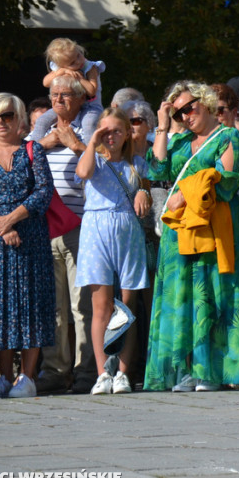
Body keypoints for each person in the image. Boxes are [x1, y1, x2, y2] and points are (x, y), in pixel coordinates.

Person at [145, 81, 239, 391]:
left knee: (213, 294)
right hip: (178, 234)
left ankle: (212, 372)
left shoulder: (229, 137)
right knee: (182, 298)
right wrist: (163, 125)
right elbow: (157, 170)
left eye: (189, 107)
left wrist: (181, 197)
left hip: (213, 228)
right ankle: (186, 369)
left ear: (206, 103)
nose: (185, 115)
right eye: (179, 112)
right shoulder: (180, 140)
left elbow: (226, 182)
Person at [0, 93, 55, 399]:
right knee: (0, 309)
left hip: (30, 240)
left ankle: (26, 377)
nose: (0, 122)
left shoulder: (33, 151)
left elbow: (44, 192)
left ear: (19, 119)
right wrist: (1, 226)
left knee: (30, 305)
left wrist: (14, 218)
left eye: (6, 116)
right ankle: (4, 377)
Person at [74, 108, 150, 395]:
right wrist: (92, 141)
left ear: (127, 133)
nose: (112, 136)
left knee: (128, 308)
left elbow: (146, 187)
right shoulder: (93, 159)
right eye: (106, 131)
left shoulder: (137, 164)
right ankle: (102, 372)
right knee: (102, 307)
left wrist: (143, 191)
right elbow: (83, 172)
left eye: (118, 130)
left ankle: (123, 373)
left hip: (127, 231)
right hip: (96, 230)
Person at [31, 75, 93, 395]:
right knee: (52, 307)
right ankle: (55, 370)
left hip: (79, 226)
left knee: (82, 305)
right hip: (45, 227)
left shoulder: (90, 127)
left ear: (82, 99)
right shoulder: (40, 131)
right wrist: (44, 145)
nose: (59, 100)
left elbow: (103, 167)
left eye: (66, 95)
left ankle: (85, 371)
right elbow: (21, 163)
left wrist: (76, 145)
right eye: (54, 94)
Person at [31, 38, 106, 141]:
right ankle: (32, 149)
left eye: (79, 55)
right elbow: (45, 83)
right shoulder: (61, 68)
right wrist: (61, 71)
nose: (78, 61)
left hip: (91, 107)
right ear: (62, 65)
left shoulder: (89, 67)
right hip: (68, 106)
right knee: (41, 121)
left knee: (89, 124)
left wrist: (80, 78)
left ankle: (92, 153)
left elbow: (92, 91)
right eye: (72, 63)